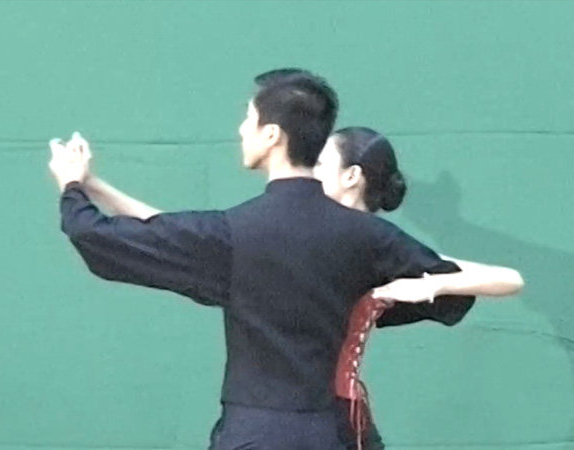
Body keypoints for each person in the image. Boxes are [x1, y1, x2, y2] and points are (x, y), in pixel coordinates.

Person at [49, 69, 476, 450]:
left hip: (254, 434)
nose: (241, 129)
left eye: (248, 119)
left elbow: (98, 236)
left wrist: (74, 187)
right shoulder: (367, 236)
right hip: (329, 434)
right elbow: (453, 293)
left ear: (272, 135)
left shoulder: (234, 233)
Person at [313, 127, 524, 449]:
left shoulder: (382, 246)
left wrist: (435, 284)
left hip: (335, 420)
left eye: (319, 164)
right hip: (284, 413)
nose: (308, 174)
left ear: (351, 176)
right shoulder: (303, 234)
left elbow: (510, 279)